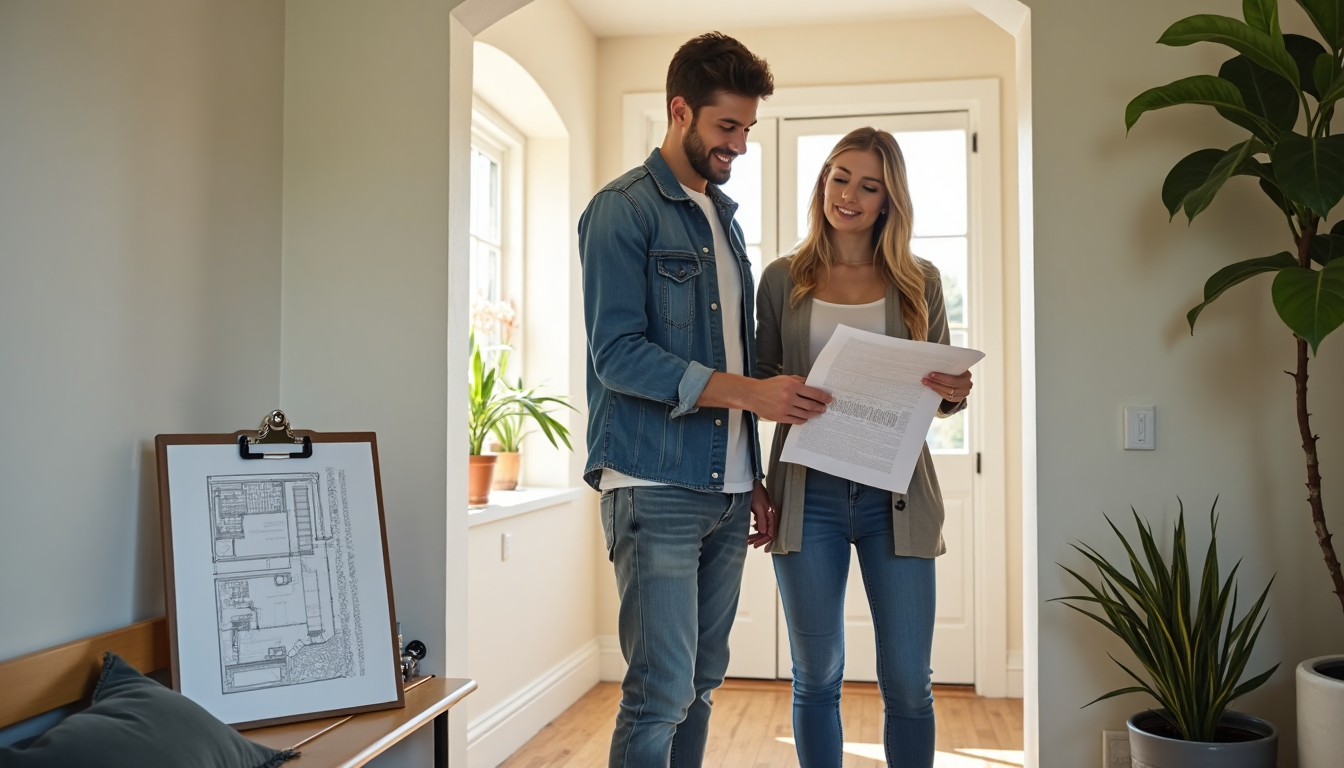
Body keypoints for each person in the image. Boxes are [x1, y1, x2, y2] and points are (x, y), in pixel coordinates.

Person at [577, 32, 832, 768]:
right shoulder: (623, 211)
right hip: (652, 484)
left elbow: (724, 355)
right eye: (727, 127)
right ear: (680, 110)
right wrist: (755, 394)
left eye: (747, 130)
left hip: (722, 492)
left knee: (698, 683)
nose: (740, 146)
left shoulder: (723, 219)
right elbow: (618, 356)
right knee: (659, 690)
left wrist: (747, 476)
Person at [754, 127, 973, 768]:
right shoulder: (781, 279)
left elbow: (941, 387)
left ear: (888, 201)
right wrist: (761, 473)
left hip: (895, 495)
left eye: (868, 185)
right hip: (807, 495)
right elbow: (758, 380)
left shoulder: (918, 280)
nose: (848, 194)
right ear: (823, 181)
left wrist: (956, 390)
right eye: (839, 176)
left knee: (908, 682)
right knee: (816, 675)